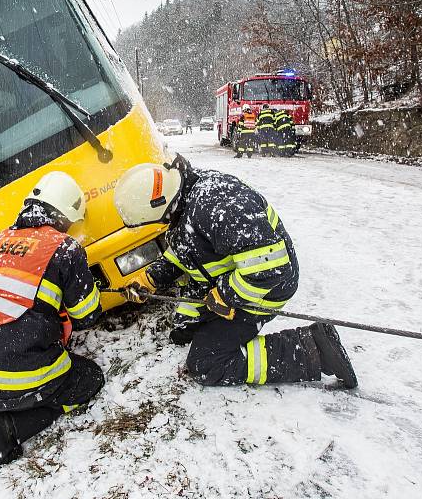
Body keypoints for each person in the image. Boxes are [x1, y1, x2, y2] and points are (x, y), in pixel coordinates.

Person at [113, 156, 357, 389]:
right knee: (182, 332)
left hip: (264, 288)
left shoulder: (218, 207)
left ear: (159, 206)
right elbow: (188, 248)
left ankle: (313, 349)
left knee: (205, 363)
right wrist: (151, 278)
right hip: (231, 279)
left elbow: (271, 269)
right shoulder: (185, 198)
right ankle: (210, 325)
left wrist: (227, 296)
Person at [0, 171, 104, 464]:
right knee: (87, 378)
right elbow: (87, 315)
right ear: (65, 215)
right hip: (12, 377)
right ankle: (4, 428)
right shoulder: (64, 248)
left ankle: (14, 404)